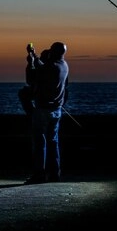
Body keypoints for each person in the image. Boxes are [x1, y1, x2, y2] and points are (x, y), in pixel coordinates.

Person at [25, 41, 69, 184]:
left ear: (54, 52)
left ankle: (39, 175)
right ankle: (55, 174)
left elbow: (33, 75)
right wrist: (34, 57)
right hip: (57, 110)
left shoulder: (52, 67)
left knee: (40, 143)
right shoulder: (64, 66)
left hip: (43, 109)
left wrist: (31, 58)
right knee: (53, 142)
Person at [18, 44, 50, 116]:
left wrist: (32, 55)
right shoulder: (45, 68)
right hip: (44, 95)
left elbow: (31, 80)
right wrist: (30, 63)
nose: (40, 57)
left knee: (23, 93)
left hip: (45, 95)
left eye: (42, 56)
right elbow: (30, 80)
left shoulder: (50, 68)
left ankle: (32, 114)